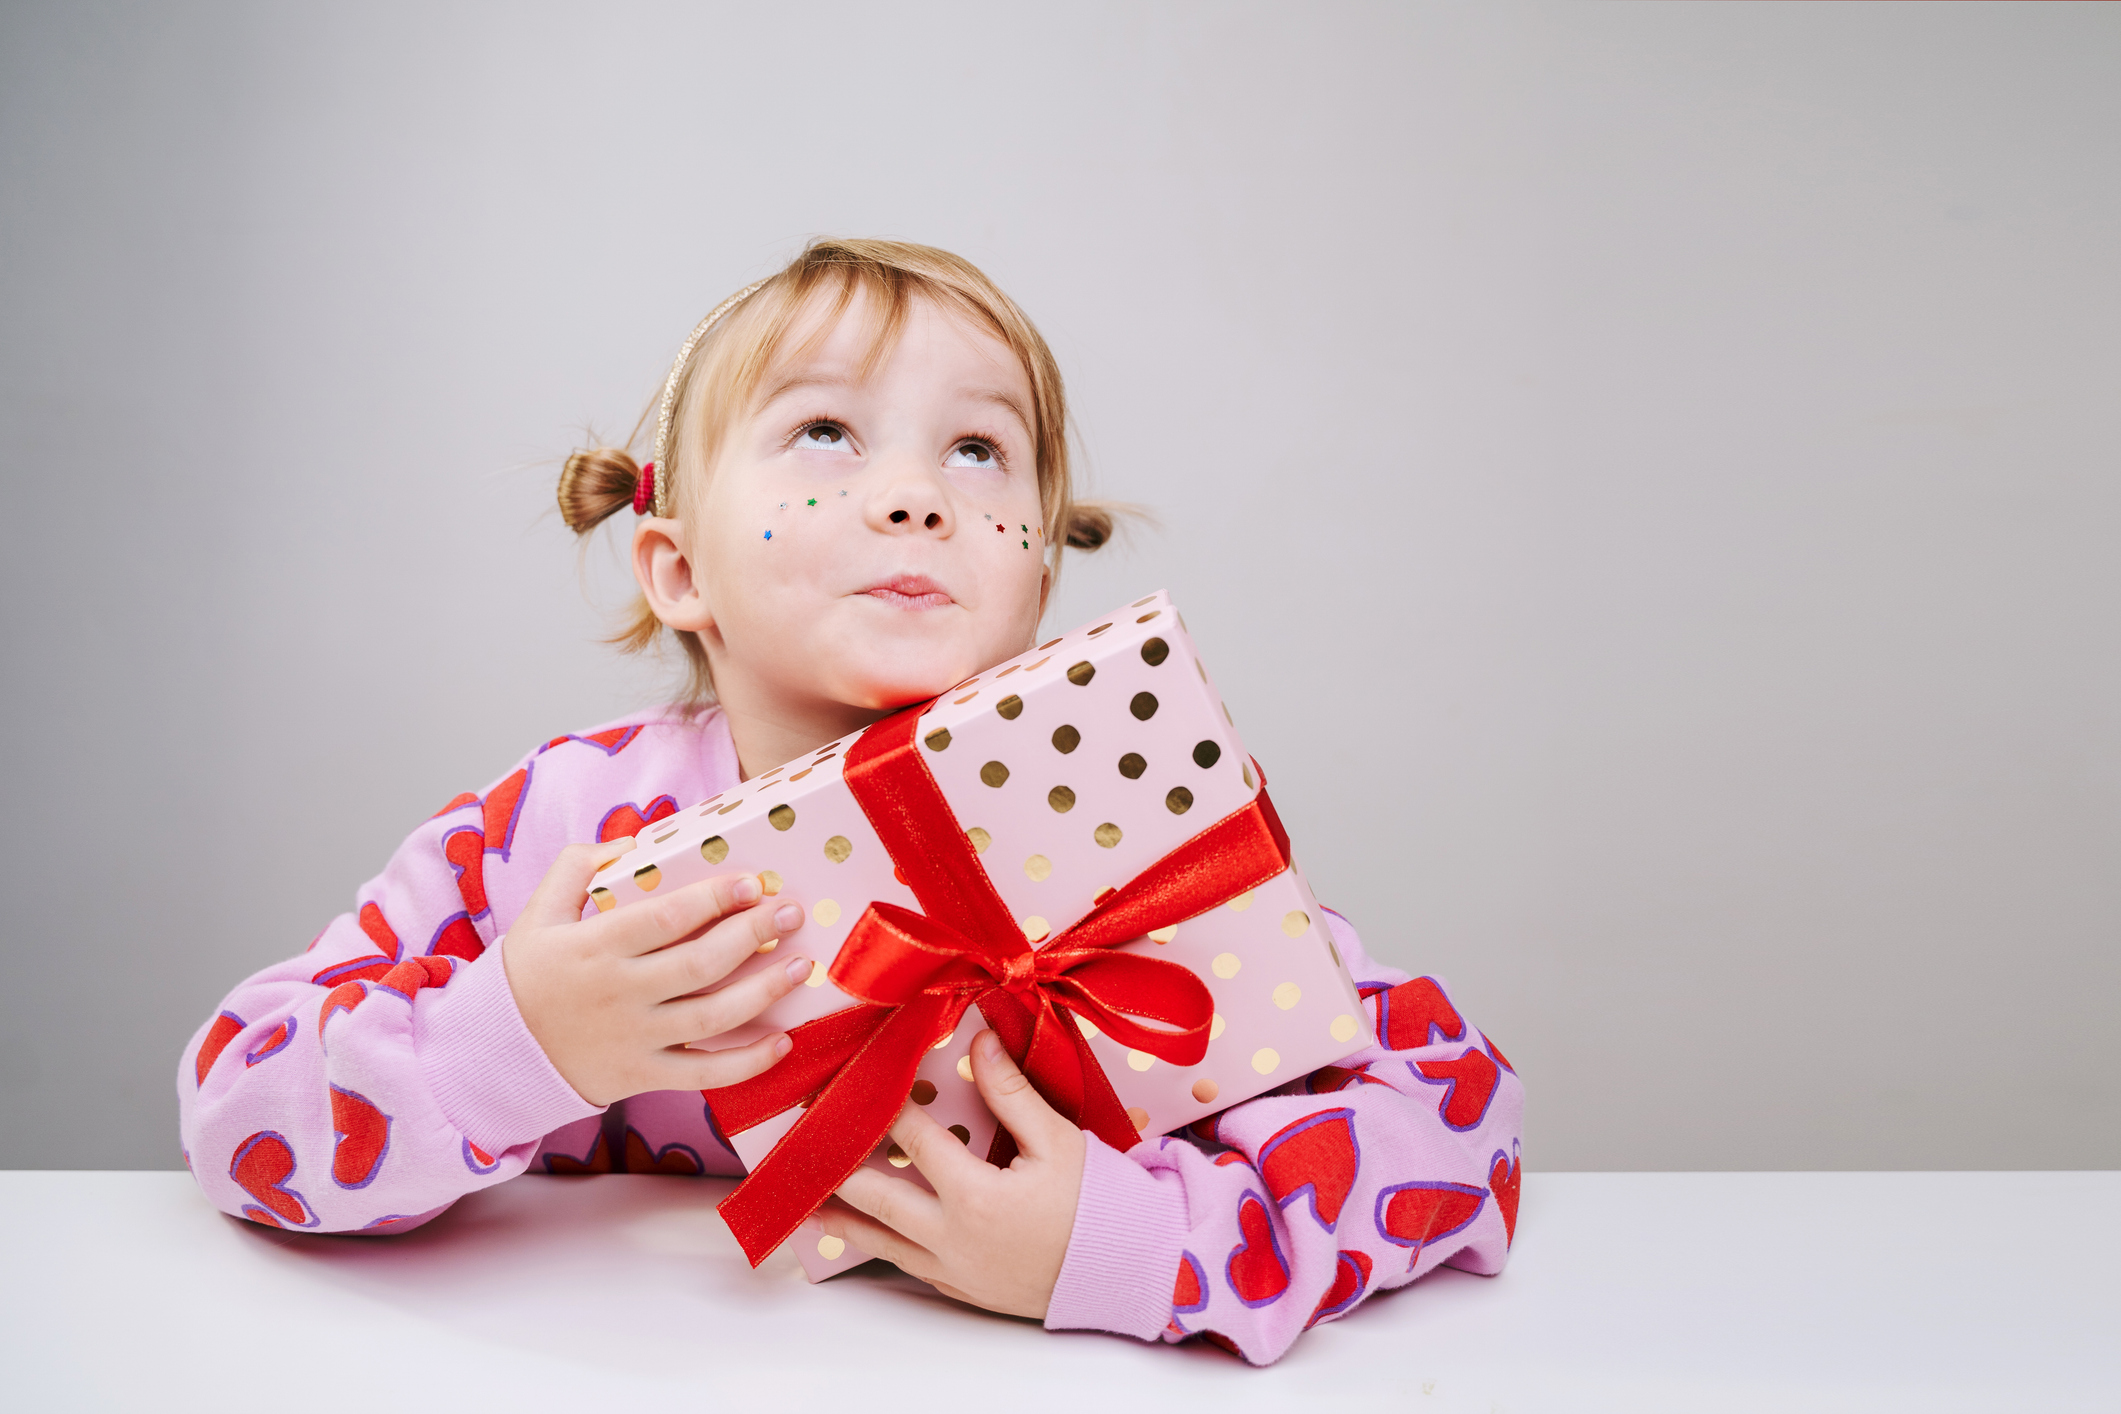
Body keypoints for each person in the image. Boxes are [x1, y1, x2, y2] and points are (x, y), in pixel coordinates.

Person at [177, 238, 1524, 1364]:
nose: (912, 496)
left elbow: (1454, 1109)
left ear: (1038, 569)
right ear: (676, 566)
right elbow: (240, 1101)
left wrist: (1123, 1246)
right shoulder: (559, 831)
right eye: (825, 431)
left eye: (981, 451)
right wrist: (521, 1038)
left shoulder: (1118, 808)